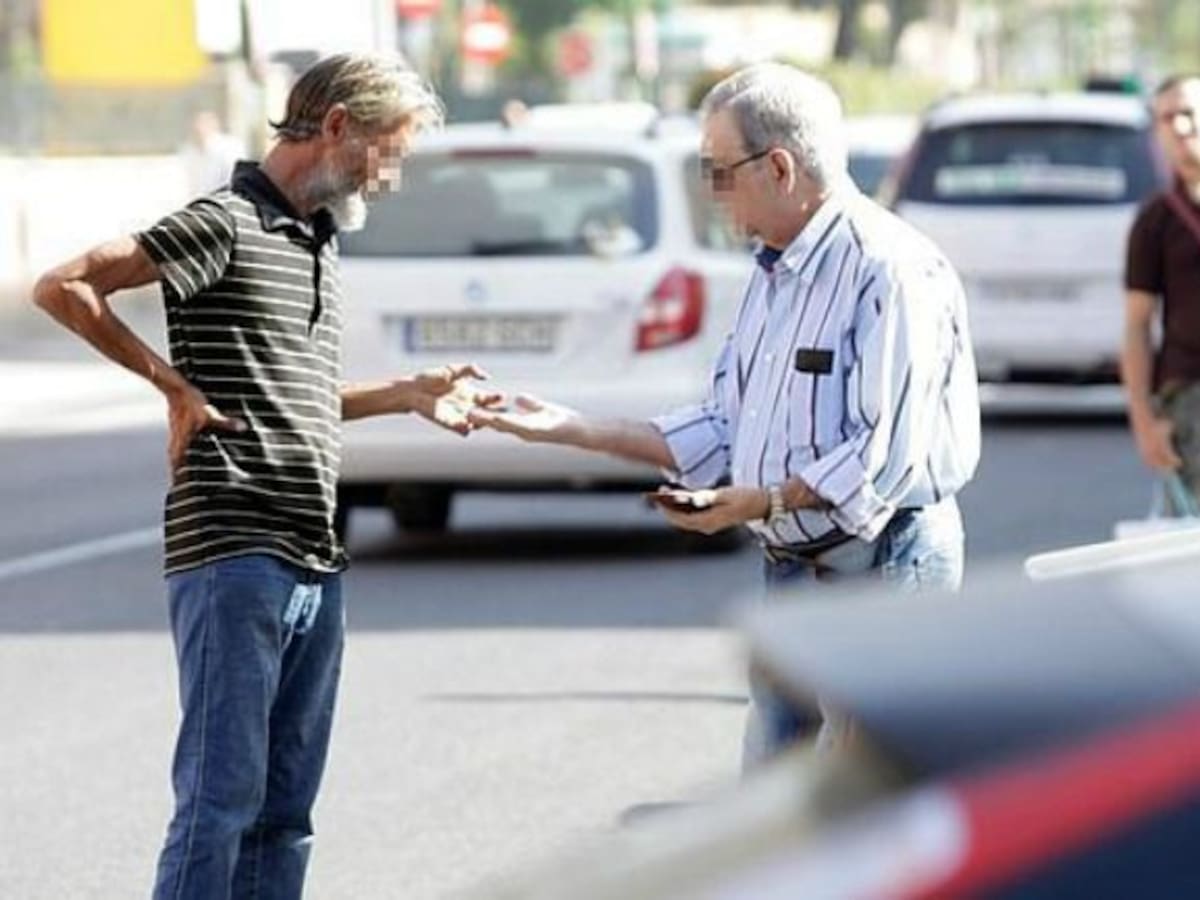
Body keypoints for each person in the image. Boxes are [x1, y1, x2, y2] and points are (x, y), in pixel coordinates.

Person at [33, 53, 498, 898]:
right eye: (386, 152)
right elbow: (63, 286)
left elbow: (300, 394)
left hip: (313, 560)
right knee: (220, 804)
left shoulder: (317, 239)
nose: (389, 178)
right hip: (234, 555)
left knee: (286, 814)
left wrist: (407, 395)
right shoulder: (224, 222)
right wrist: (167, 384)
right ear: (336, 127)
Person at [469, 63, 981, 769]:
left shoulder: (887, 268)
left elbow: (881, 454)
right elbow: (724, 428)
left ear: (779, 167)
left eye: (718, 172)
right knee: (775, 807)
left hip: (886, 569)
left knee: (868, 811)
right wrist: (567, 426)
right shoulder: (774, 268)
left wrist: (763, 500)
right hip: (795, 572)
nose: (710, 194)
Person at [1122, 74, 1200, 510]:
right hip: (1189, 398)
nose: (1180, 128)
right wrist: (1144, 418)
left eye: (1188, 113)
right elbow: (1136, 324)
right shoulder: (1156, 220)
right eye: (1166, 119)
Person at [179, 109, 247, 196]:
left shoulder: (230, 147)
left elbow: (234, 180)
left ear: (214, 124)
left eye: (204, 123)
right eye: (196, 124)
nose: (199, 128)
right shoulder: (189, 151)